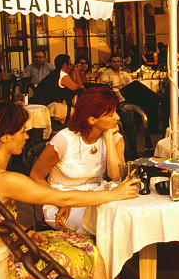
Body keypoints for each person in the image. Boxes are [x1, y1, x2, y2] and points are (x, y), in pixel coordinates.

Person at [0, 100, 139, 279]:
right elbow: (65, 197)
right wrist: (115, 194)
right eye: (22, 132)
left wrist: (27, 232)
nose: (27, 137)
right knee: (91, 253)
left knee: (85, 245)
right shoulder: (4, 179)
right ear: (5, 137)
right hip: (2, 262)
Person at [30, 86, 128, 234]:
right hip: (63, 202)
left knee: (126, 219)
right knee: (104, 226)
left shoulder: (115, 139)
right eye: (111, 114)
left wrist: (108, 137)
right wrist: (58, 200)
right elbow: (36, 176)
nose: (118, 117)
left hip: (98, 195)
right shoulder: (64, 140)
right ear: (92, 119)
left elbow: (116, 176)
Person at [30, 54, 82, 123]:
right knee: (80, 113)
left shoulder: (55, 74)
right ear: (65, 65)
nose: (71, 67)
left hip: (42, 106)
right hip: (47, 107)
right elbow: (79, 90)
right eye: (70, 64)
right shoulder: (63, 75)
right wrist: (77, 73)